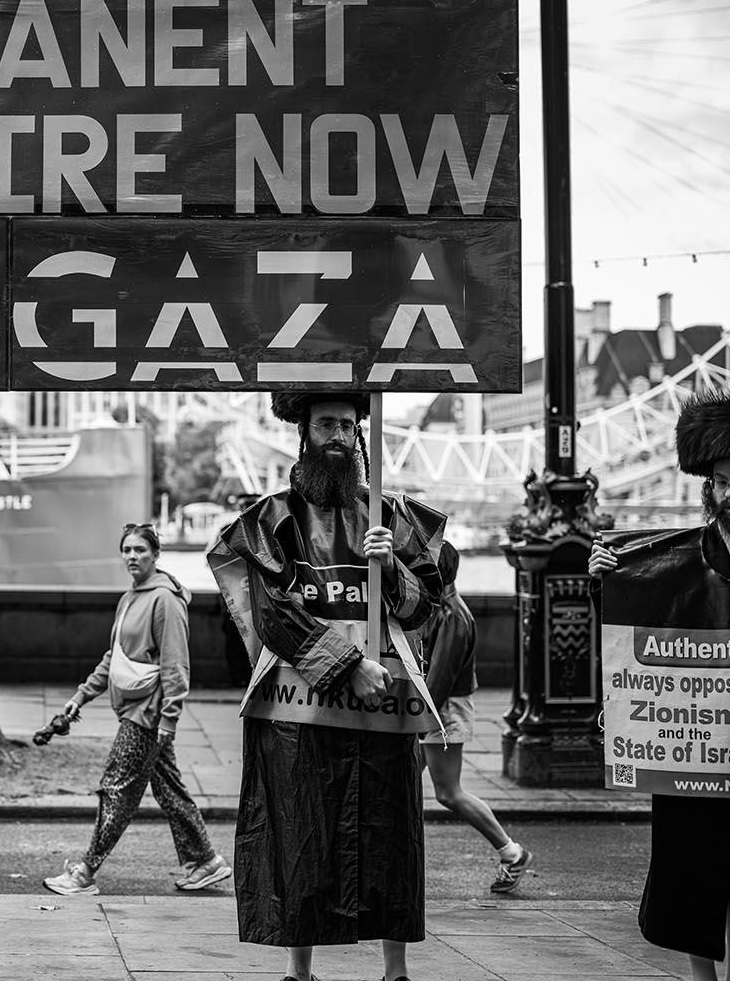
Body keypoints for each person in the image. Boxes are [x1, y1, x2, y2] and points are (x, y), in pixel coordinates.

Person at [212, 391, 444, 981]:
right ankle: (299, 972)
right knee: (300, 836)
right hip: (301, 713)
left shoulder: (395, 519)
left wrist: (391, 566)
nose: (337, 435)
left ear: (361, 431)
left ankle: (396, 973)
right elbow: (273, 614)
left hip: (384, 712)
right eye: (325, 425)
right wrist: (349, 666)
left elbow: (426, 608)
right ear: (305, 433)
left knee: (390, 838)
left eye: (346, 424)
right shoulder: (273, 520)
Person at [589, 388, 730, 981]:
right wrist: (608, 584)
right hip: (694, 755)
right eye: (721, 481)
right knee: (692, 878)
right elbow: (636, 637)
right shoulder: (681, 560)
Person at [42, 522, 232, 896]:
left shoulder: (165, 600)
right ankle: (205, 861)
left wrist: (169, 719)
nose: (132, 556)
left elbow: (176, 665)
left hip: (147, 716)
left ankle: (84, 873)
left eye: (140, 550)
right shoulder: (131, 596)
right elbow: (116, 658)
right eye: (126, 549)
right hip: (138, 711)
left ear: (155, 554)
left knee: (116, 790)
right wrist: (80, 697)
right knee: (170, 791)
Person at [418, 540, 533, 893]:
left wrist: (417, 719)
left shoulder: (452, 616)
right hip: (440, 708)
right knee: (406, 787)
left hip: (443, 711)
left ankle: (511, 852)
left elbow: (439, 678)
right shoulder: (445, 610)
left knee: (449, 793)